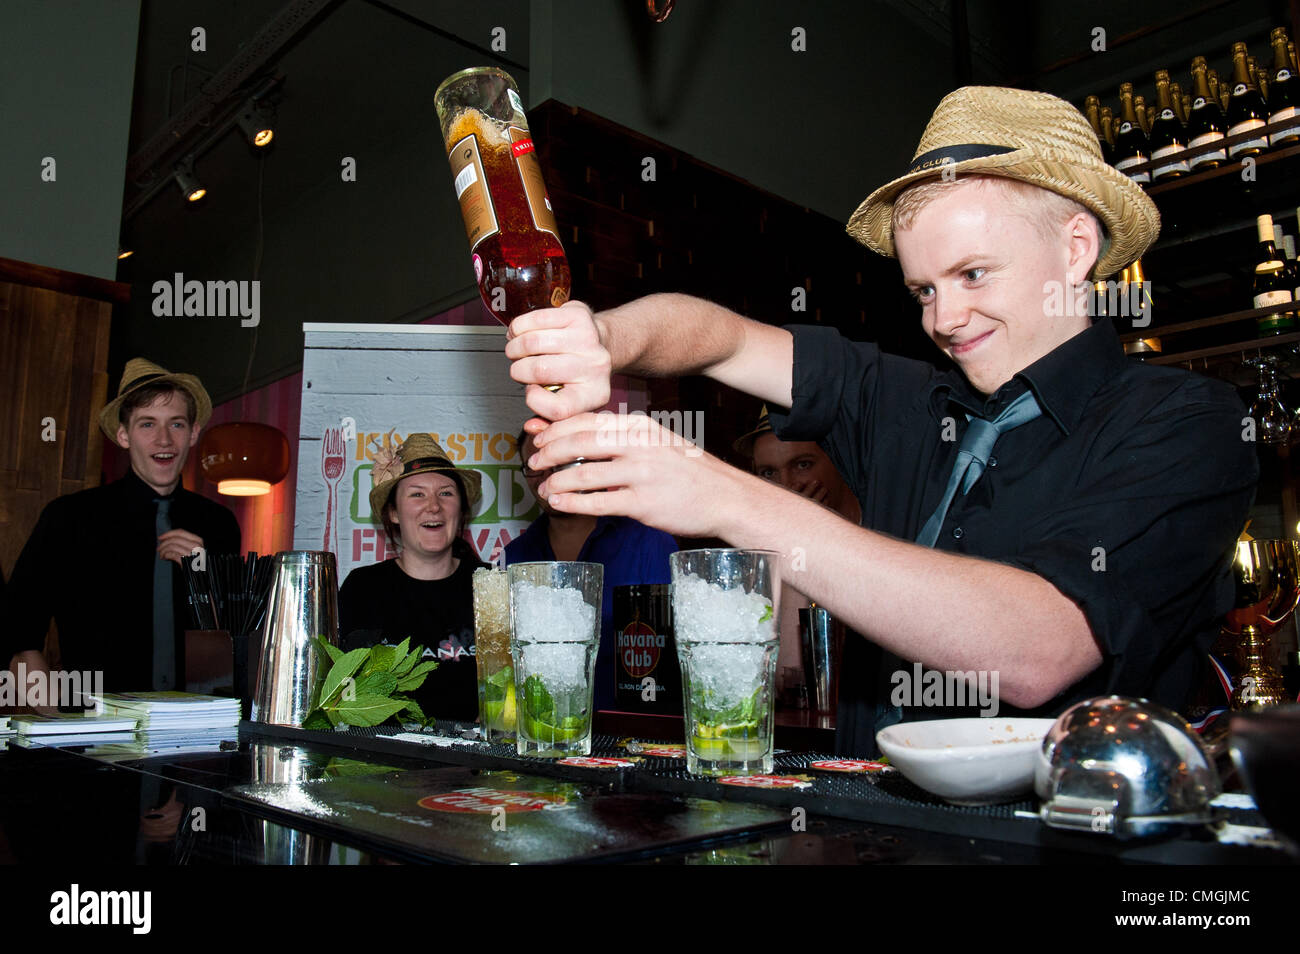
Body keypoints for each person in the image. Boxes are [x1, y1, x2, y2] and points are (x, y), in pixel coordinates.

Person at [504, 86, 1258, 756]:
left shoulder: (1186, 423)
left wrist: (723, 497)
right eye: (924, 289)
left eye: (972, 274)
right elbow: (721, 335)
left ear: (1076, 247)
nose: (947, 318)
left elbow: (1038, 650)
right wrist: (606, 338)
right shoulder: (903, 401)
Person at [3, 358, 241, 695]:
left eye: (176, 424)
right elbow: (18, 632)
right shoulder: (68, 517)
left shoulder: (218, 525)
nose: (164, 440)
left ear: (193, 434)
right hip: (94, 726)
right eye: (147, 424)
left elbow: (238, 638)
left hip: (193, 726)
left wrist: (204, 575)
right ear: (123, 435)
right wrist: (59, 713)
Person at [506, 427, 678, 711]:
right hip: (546, 734)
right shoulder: (517, 555)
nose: (549, 478)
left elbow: (673, 665)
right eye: (536, 467)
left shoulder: (650, 543)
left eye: (562, 464)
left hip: (635, 737)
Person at [337, 434, 487, 722]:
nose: (433, 506)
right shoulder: (363, 588)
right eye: (417, 494)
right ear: (393, 512)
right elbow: (347, 698)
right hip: (383, 758)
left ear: (461, 509)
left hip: (476, 760)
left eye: (446, 493)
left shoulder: (491, 584)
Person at [735, 406, 864, 705]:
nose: (787, 485)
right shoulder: (757, 557)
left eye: (803, 464)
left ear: (841, 462)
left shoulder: (885, 532)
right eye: (768, 473)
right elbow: (789, 682)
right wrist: (796, 541)